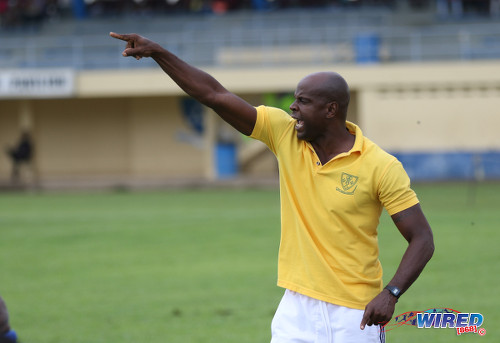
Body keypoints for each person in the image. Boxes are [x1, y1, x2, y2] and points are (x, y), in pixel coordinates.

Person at [110, 32, 435, 342]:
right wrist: (159, 53)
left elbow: (421, 238)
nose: (292, 108)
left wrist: (391, 293)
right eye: (294, 100)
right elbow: (214, 95)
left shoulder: (380, 165)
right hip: (295, 309)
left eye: (302, 101)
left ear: (330, 110)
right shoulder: (285, 134)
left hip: (354, 313)